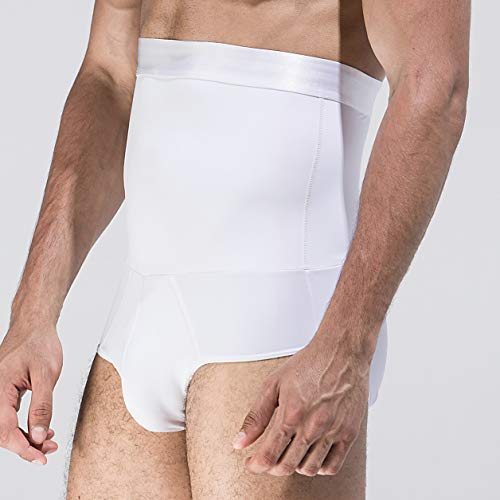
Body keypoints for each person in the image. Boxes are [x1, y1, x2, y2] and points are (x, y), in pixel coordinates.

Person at [0, 0, 470, 498]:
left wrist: (346, 348)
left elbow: (434, 87)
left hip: (280, 316)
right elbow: (110, 75)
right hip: (137, 321)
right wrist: (32, 312)